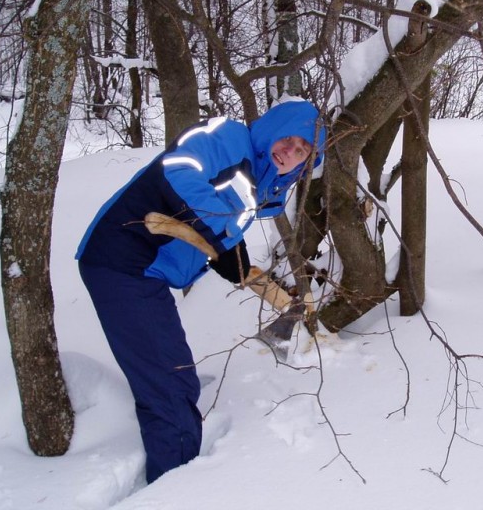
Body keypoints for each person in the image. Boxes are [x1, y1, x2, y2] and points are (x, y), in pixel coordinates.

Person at [76, 99, 326, 483]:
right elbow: (177, 171)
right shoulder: (228, 139)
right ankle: (174, 488)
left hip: (147, 270)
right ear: (271, 130)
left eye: (302, 150)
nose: (290, 151)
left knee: (177, 376)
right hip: (122, 262)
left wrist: (226, 255)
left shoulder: (261, 183)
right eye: (287, 139)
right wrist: (225, 242)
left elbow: (209, 224)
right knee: (170, 394)